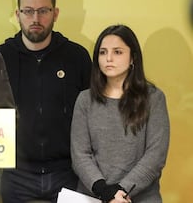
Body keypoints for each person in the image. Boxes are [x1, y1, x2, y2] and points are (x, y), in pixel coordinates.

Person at [0, 0, 92, 202]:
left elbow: (93, 116)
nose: (36, 19)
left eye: (43, 11)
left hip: (68, 173)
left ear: (55, 13)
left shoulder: (77, 57)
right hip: (16, 174)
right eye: (28, 11)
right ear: (17, 14)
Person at [70, 24, 170, 203]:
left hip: (141, 197)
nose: (108, 58)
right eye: (102, 52)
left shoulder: (154, 98)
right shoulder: (85, 100)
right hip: (93, 196)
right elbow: (80, 154)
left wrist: (122, 191)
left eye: (117, 52)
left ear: (133, 58)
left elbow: (155, 156)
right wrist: (105, 192)